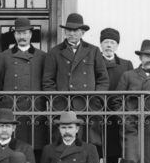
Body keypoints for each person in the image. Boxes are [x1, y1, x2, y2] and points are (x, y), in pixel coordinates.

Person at [41, 13, 109, 149]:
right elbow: (48, 81)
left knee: (88, 144)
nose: (71, 33)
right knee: (63, 144)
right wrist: (57, 100)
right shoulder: (55, 52)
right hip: (63, 105)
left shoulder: (93, 50)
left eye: (75, 30)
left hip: (87, 105)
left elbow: (103, 78)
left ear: (82, 32)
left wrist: (95, 98)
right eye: (68, 30)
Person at [0, 17, 49, 159]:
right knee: (12, 151)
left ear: (30, 34)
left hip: (35, 111)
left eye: (25, 33)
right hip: (12, 110)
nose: (22, 36)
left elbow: (46, 83)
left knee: (35, 150)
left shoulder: (42, 56)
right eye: (18, 33)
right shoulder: (4, 56)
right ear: (14, 35)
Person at [97, 27, 133, 163]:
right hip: (97, 115)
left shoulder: (126, 64)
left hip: (117, 115)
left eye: (112, 42)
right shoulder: (93, 62)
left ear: (117, 45)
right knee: (96, 153)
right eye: (106, 42)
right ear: (101, 44)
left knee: (114, 155)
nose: (109, 45)